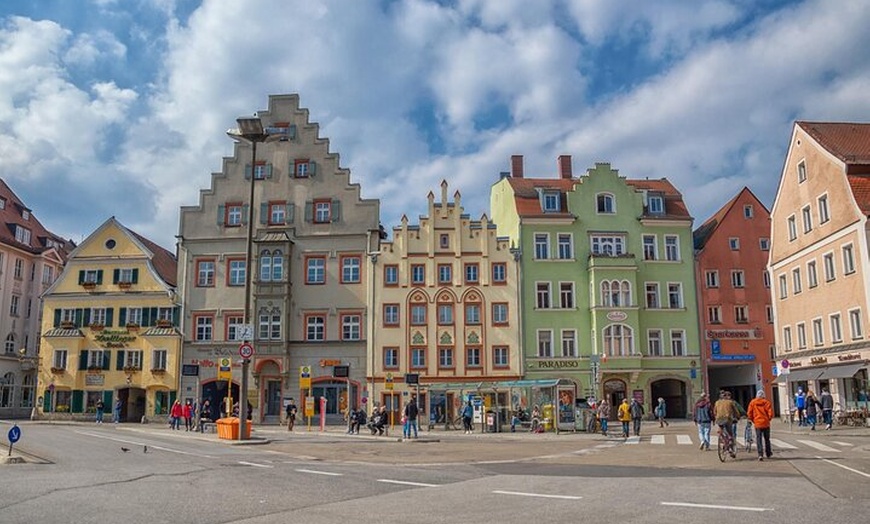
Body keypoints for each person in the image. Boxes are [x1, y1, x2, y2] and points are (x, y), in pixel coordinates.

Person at [747, 390, 774, 461]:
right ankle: (768, 453)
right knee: (767, 439)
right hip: (766, 423)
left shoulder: (753, 402)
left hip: (757, 424)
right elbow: (770, 413)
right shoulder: (767, 403)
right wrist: (768, 419)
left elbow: (749, 413)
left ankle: (760, 454)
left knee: (759, 439)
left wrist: (753, 420)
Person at [714, 391, 739, 457]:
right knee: (730, 432)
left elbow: (715, 411)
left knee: (721, 430)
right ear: (726, 396)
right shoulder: (730, 402)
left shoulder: (717, 402)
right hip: (727, 419)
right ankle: (730, 444)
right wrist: (737, 417)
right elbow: (735, 411)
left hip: (719, 419)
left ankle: (722, 439)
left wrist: (716, 417)